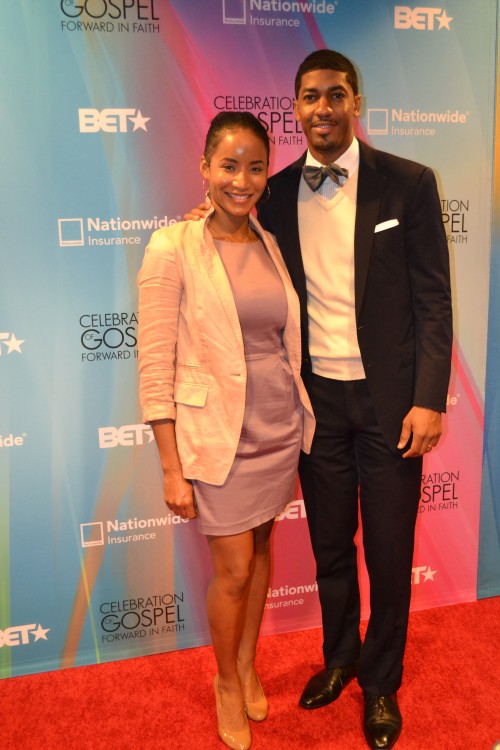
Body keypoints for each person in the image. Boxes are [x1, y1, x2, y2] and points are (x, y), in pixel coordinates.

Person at [187, 49, 452, 750]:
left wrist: (430, 397)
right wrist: (197, 217)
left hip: (393, 405)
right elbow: (225, 232)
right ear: (296, 107)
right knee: (331, 546)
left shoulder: (410, 184)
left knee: (390, 551)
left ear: (355, 101)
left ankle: (382, 684)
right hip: (314, 406)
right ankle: (339, 659)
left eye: (336, 94)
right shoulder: (269, 193)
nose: (323, 108)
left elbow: (433, 299)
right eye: (310, 96)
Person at [137, 111, 315, 750]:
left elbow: (278, 340)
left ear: (268, 173)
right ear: (205, 168)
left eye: (256, 166)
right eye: (229, 165)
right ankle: (225, 681)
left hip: (277, 429)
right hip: (217, 438)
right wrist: (169, 463)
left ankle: (247, 662)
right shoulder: (172, 246)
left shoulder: (267, 243)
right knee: (234, 569)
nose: (242, 180)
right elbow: (155, 361)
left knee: (263, 552)